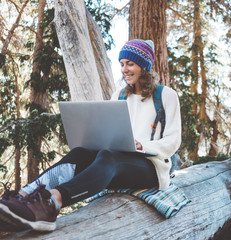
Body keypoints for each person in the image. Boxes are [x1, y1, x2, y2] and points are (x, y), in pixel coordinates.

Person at [0, 39, 182, 232]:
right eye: (121, 64)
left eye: (130, 64)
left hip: (151, 168)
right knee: (80, 153)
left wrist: (142, 146)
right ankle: (22, 197)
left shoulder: (166, 95)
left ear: (144, 66)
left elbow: (173, 141)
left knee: (109, 157)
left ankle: (52, 203)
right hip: (117, 163)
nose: (124, 69)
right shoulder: (119, 95)